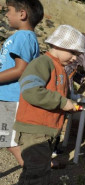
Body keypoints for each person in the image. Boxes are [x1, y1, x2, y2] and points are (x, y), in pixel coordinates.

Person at [13, 24, 85, 185]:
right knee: (37, 177)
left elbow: (53, 98)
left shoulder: (59, 68)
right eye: (73, 52)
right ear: (59, 45)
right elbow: (31, 91)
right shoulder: (42, 63)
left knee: (35, 175)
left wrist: (67, 107)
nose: (75, 58)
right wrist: (62, 102)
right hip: (35, 130)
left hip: (44, 131)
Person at [0, 0, 44, 167]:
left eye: (8, 10)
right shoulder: (24, 37)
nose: (6, 14)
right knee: (7, 140)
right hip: (7, 97)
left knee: (10, 142)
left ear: (22, 14)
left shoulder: (23, 37)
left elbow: (20, 70)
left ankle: (34, 175)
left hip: (10, 98)